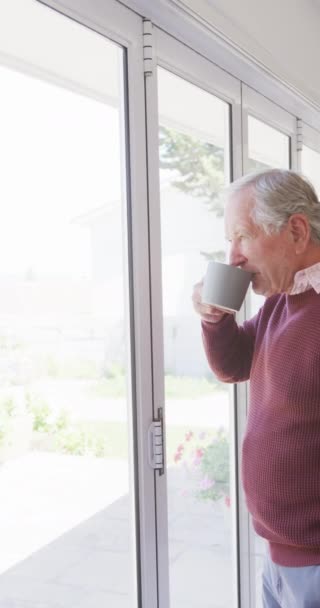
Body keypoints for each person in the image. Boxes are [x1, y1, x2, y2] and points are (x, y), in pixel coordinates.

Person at [192, 169, 320, 608]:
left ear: (297, 231)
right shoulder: (281, 302)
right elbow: (233, 364)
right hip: (280, 557)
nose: (234, 257)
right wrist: (215, 317)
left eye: (242, 236)